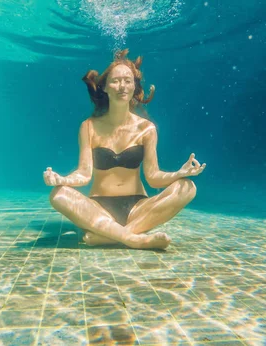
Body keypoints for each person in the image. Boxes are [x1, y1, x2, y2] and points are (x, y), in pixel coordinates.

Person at [43, 49, 206, 250]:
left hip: (138, 207)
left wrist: (179, 174)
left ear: (134, 87)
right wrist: (62, 180)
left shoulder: (147, 129)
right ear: (104, 87)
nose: (122, 86)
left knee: (188, 187)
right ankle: (133, 238)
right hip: (99, 208)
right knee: (58, 195)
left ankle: (110, 236)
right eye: (116, 81)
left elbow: (153, 177)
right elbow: (84, 174)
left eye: (128, 81)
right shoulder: (89, 127)